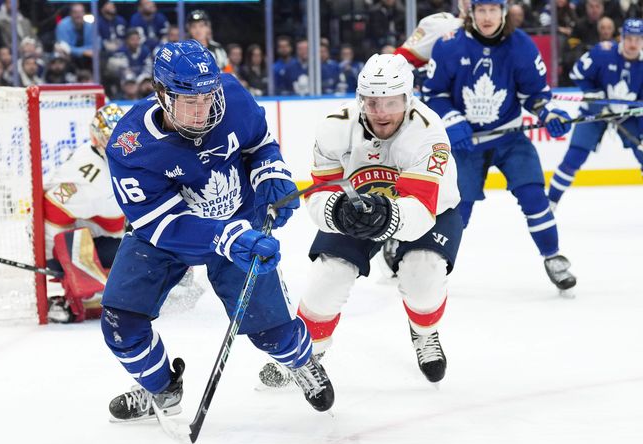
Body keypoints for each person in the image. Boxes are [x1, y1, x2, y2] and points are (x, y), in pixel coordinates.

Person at [101, 40, 334, 422]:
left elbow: (259, 145)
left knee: (272, 333)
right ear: (161, 95)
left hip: (240, 225)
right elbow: (161, 224)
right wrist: (225, 237)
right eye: (189, 101)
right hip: (168, 240)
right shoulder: (131, 147)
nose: (203, 110)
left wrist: (271, 173)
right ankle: (161, 388)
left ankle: (301, 362)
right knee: (120, 324)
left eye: (208, 97)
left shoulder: (232, 97)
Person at [260, 54, 462, 388]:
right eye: (372, 102)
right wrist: (336, 211)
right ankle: (305, 352)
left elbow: (420, 212)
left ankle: (424, 332)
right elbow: (318, 197)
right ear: (360, 99)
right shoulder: (335, 127)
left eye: (391, 102)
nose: (381, 112)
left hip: (429, 211)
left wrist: (387, 217)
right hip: (358, 207)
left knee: (422, 276)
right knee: (329, 277)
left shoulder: (428, 133)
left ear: (408, 100)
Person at [422, 0, 578, 292]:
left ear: (503, 12)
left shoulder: (521, 45)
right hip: (466, 142)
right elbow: (433, 93)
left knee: (534, 197)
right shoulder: (449, 45)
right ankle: (435, 263)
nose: (487, 17)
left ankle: (553, 256)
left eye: (493, 10)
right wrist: (453, 120)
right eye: (481, 10)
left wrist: (549, 113)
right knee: (456, 209)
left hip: (509, 137)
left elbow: (535, 95)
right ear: (472, 12)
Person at [44, 103, 127, 323]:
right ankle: (83, 297)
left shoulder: (98, 157)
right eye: (112, 138)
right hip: (62, 251)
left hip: (88, 238)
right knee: (133, 254)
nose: (120, 145)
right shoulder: (93, 173)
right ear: (97, 139)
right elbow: (55, 203)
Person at [548, 18, 643, 208]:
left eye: (638, 39)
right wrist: (593, 93)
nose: (633, 44)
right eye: (629, 38)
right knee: (574, 157)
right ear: (622, 37)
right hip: (596, 111)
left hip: (628, 115)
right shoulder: (603, 52)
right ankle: (549, 203)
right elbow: (577, 73)